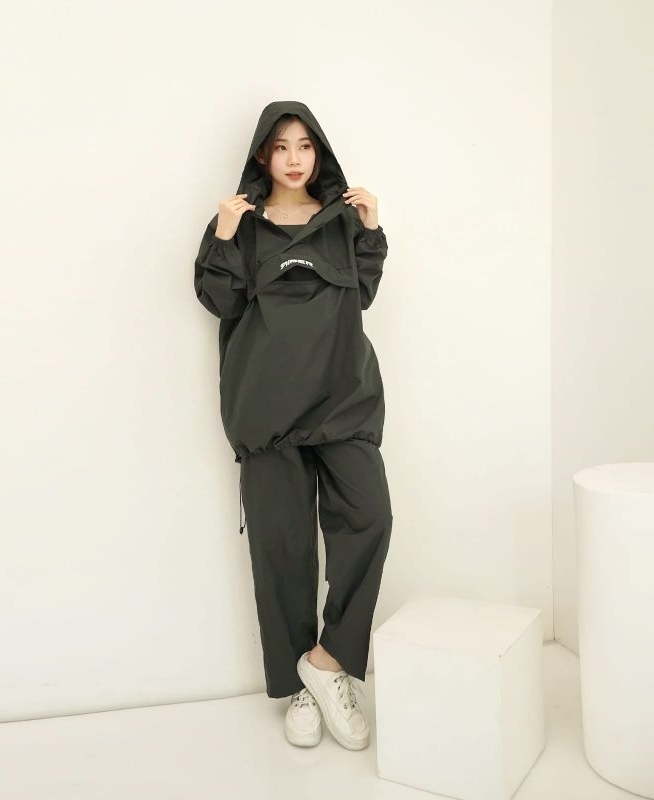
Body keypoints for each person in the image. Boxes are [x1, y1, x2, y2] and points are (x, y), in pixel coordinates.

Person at [193, 100, 393, 750]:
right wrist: (225, 235)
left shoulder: (343, 220)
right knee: (282, 550)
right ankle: (299, 687)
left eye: (305, 144)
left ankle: (327, 661)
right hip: (267, 408)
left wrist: (371, 230)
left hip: (342, 399)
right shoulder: (239, 223)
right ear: (263, 155)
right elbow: (219, 300)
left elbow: (363, 294)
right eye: (281, 146)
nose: (294, 157)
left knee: (370, 517)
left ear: (319, 151)